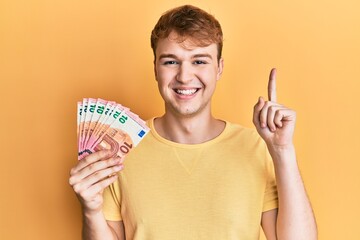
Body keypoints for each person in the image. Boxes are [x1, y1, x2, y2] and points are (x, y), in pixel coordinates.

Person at [69, 5, 317, 240]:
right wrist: (91, 210)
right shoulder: (120, 149)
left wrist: (283, 151)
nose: (185, 76)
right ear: (155, 69)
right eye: (170, 62)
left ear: (219, 68)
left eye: (199, 61)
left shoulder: (256, 147)